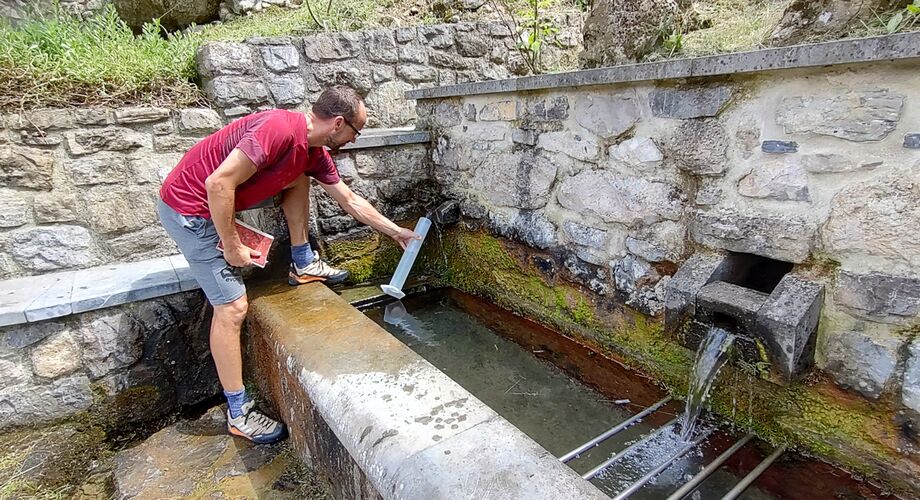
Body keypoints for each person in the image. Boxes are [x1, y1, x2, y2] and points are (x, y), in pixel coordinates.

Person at [157, 85, 418, 444]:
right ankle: (238, 412)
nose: (355, 141)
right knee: (232, 307)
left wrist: (395, 233)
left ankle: (303, 261)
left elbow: (350, 199)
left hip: (217, 201)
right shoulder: (277, 129)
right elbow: (218, 183)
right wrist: (231, 246)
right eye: (356, 132)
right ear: (339, 123)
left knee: (297, 177)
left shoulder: (312, 152)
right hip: (190, 209)